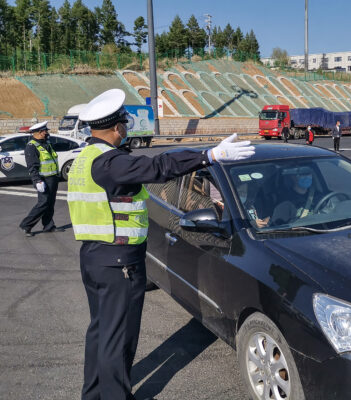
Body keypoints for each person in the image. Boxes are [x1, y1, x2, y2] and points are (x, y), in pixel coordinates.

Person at [66, 88, 254, 400]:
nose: (126, 129)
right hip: (119, 263)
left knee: (100, 333)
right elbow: (159, 167)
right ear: (117, 128)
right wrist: (209, 155)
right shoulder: (110, 163)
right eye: (124, 124)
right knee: (119, 339)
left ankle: (93, 394)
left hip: (95, 257)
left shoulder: (85, 159)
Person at [19, 121, 60, 236]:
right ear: (38, 132)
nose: (46, 133)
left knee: (50, 203)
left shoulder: (46, 143)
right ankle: (26, 225)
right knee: (43, 203)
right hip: (43, 179)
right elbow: (32, 166)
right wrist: (37, 180)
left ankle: (48, 225)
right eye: (44, 131)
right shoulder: (31, 146)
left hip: (52, 178)